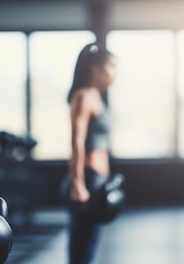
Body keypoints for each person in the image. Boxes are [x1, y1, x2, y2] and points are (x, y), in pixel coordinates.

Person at [66, 43, 117, 264]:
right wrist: (78, 183)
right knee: (81, 249)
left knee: (90, 246)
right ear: (95, 68)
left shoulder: (97, 97)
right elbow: (77, 141)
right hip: (88, 177)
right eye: (111, 66)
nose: (115, 72)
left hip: (99, 179)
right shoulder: (84, 96)